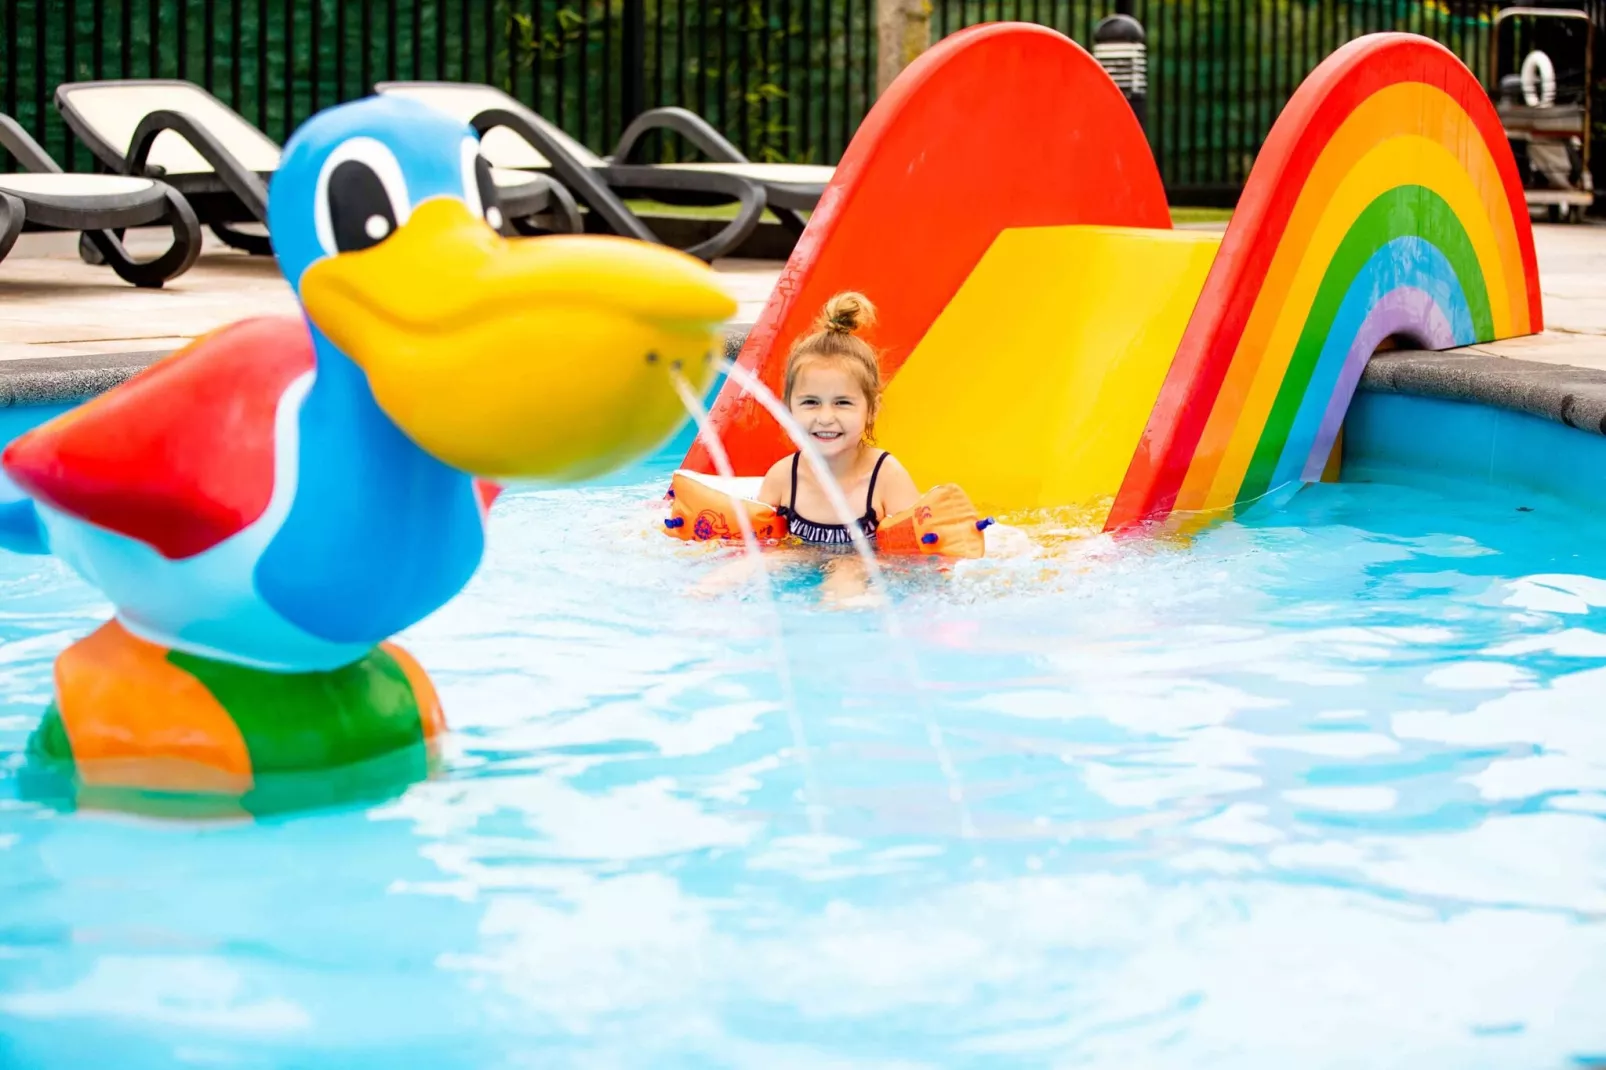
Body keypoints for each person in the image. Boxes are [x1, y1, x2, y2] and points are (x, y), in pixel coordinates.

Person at [756, 291, 919, 548]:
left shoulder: (886, 476)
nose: (825, 418)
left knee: (846, 575)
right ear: (788, 410)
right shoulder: (783, 477)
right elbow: (758, 543)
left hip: (865, 570)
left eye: (843, 403)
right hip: (797, 561)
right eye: (811, 402)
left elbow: (917, 555)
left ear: (872, 410)